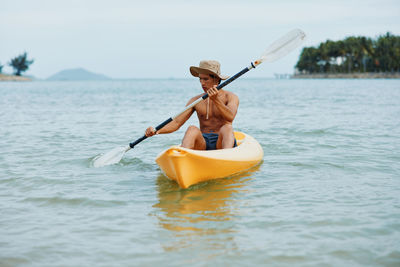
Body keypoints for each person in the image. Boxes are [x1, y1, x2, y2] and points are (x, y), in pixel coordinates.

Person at [145, 60, 239, 150]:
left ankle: (226, 159)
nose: (202, 83)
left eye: (206, 79)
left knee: (227, 127)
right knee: (192, 129)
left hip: (222, 141)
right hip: (203, 142)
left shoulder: (230, 97)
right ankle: (182, 159)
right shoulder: (196, 100)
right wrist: (156, 131)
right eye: (200, 79)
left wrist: (216, 100)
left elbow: (230, 117)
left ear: (216, 79)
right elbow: (176, 123)